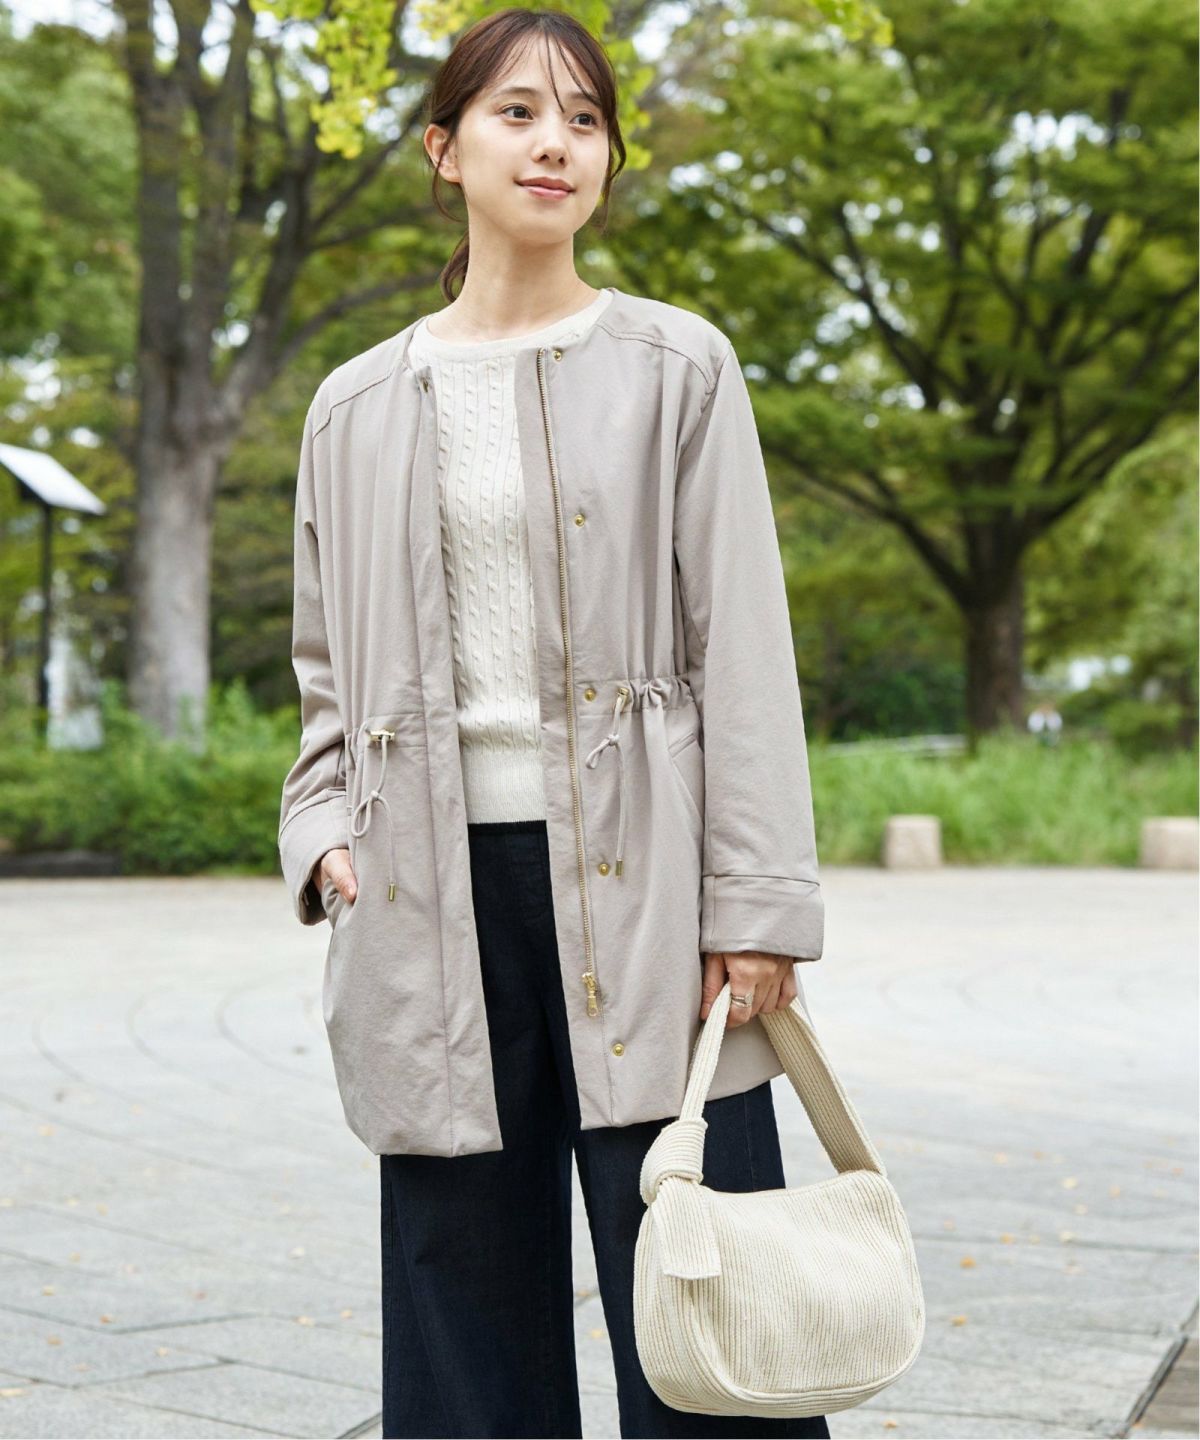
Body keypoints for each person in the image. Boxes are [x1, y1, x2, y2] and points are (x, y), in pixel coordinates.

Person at [283, 9, 828, 1437]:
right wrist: (325, 837)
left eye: (585, 120)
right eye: (518, 113)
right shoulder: (351, 407)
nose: (556, 145)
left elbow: (742, 650)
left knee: (703, 1295)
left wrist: (757, 905)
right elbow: (325, 670)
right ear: (443, 147)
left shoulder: (678, 367)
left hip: (650, 889)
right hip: (425, 893)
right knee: (459, 1298)